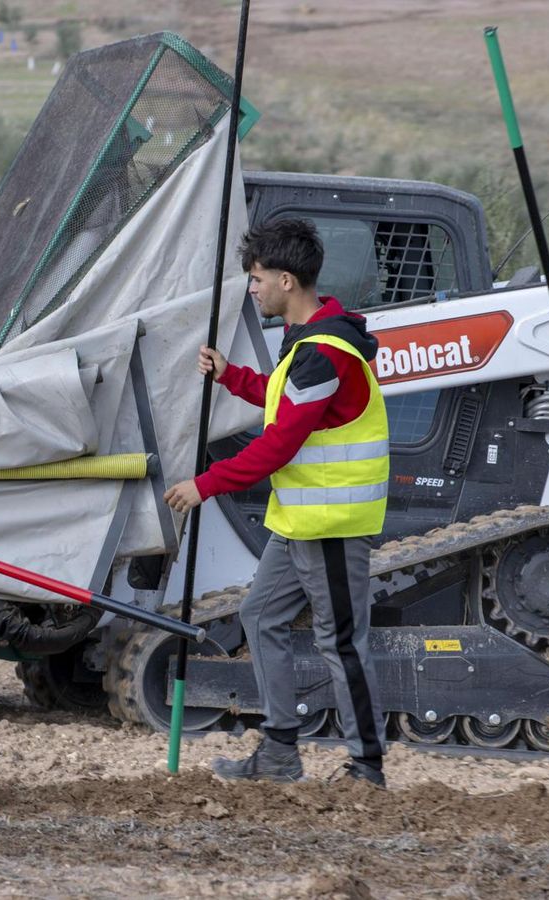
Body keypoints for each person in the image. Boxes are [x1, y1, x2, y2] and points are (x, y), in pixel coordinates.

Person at [165, 218, 390, 787]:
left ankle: (367, 768)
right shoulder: (311, 345)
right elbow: (285, 403)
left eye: (257, 278)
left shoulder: (324, 352)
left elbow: (280, 442)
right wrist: (230, 376)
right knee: (259, 614)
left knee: (341, 643)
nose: (252, 288)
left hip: (332, 524)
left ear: (287, 281)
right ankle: (280, 754)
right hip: (301, 523)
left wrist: (205, 484)